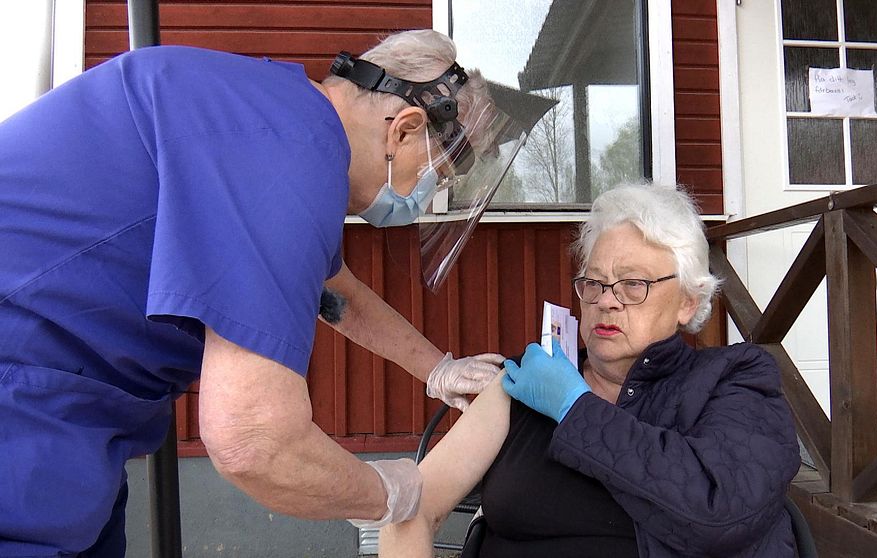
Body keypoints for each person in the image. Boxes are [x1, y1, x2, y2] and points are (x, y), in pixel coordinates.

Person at [0, 29, 524, 557]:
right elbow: (254, 443)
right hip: (21, 404)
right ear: (404, 131)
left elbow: (337, 295)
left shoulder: (277, 120)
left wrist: (438, 369)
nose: (424, 193)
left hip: (67, 411)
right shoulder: (290, 154)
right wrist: (393, 495)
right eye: (435, 175)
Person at [381, 183, 801, 557]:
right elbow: (411, 508)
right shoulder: (526, 385)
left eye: (633, 284)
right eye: (594, 283)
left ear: (688, 301)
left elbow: (722, 513)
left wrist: (572, 407)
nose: (607, 300)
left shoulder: (733, 379)